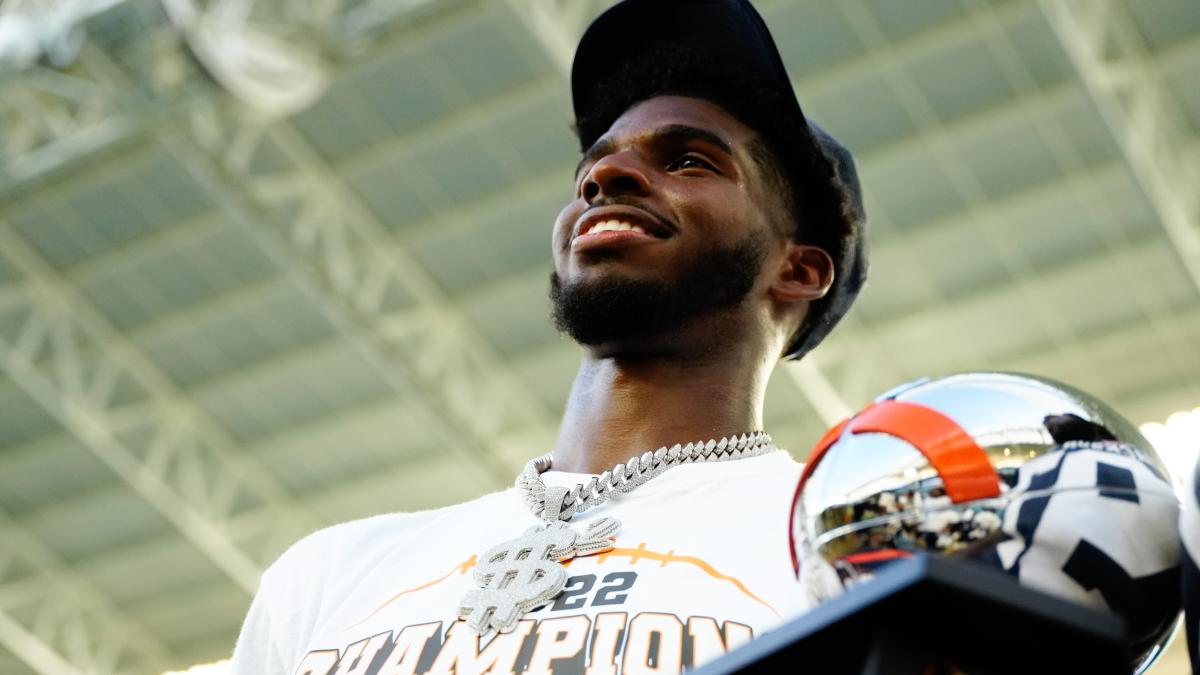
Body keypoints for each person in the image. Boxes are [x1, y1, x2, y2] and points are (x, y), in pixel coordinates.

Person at [230, 0, 867, 672]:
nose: (603, 177)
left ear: (798, 268)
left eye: (687, 160)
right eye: (590, 168)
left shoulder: (840, 545)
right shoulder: (325, 577)